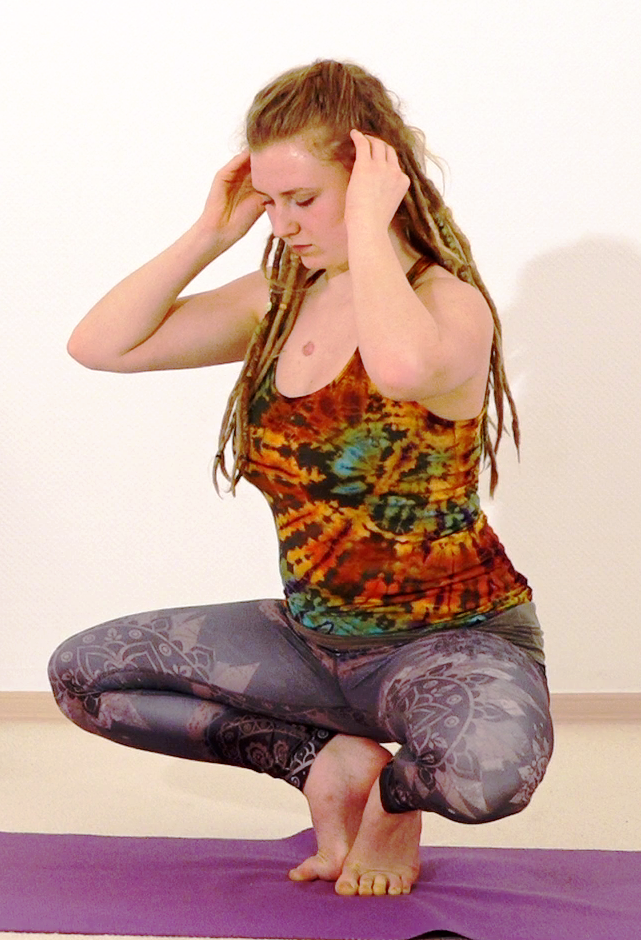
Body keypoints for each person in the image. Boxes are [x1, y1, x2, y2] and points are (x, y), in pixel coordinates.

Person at [48, 59, 553, 897]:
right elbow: (100, 346)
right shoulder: (276, 301)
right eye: (268, 201)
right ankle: (325, 762)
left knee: (487, 778)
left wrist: (371, 230)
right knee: (83, 676)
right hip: (310, 644)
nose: (280, 224)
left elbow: (399, 369)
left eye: (303, 199)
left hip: (451, 643)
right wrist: (209, 234)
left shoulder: (447, 304)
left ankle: (392, 805)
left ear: (373, 179)